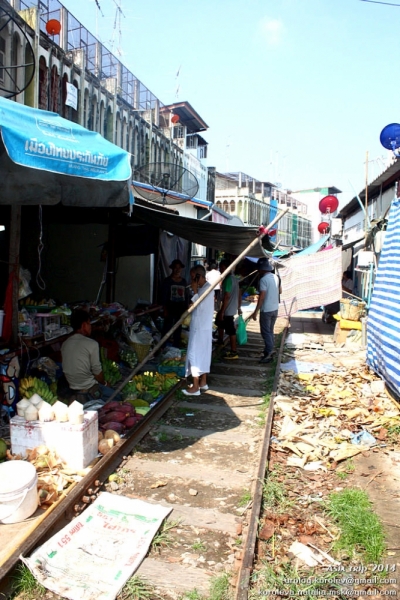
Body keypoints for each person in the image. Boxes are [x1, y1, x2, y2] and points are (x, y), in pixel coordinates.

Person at [61, 309, 115, 403]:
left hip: (72, 388)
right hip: (89, 389)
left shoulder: (65, 344)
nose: (90, 327)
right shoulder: (92, 344)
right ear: (83, 325)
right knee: (117, 397)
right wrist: (105, 383)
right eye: (89, 324)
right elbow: (97, 373)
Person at [183, 265, 214, 396]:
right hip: (202, 328)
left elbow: (199, 307)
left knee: (195, 355)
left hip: (200, 329)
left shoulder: (206, 290)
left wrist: (195, 292)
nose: (191, 280)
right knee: (203, 355)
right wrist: (196, 292)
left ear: (199, 276)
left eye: (193, 277)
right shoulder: (205, 288)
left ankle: (195, 387)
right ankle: (203, 382)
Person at [252, 258, 281, 363]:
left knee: (265, 332)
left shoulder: (263, 280)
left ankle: (269, 352)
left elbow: (262, 297)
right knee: (270, 331)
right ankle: (269, 350)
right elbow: (280, 291)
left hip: (267, 310)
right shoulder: (276, 277)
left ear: (262, 269)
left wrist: (256, 311)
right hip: (275, 308)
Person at [216, 259, 241, 360]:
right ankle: (220, 341)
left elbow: (226, 296)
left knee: (231, 330)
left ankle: (233, 351)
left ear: (228, 269)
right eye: (221, 268)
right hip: (232, 307)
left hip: (228, 309)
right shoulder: (235, 279)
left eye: (223, 268)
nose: (222, 270)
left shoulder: (227, 280)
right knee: (219, 322)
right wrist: (239, 307)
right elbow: (239, 294)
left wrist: (222, 311)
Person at [161, 259, 188, 347]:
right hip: (170, 309)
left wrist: (186, 309)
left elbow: (186, 296)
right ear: (172, 269)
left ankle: (176, 346)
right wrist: (164, 309)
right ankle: (162, 347)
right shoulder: (167, 281)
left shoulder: (183, 282)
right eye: (175, 268)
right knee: (167, 328)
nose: (177, 270)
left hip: (180, 309)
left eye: (179, 268)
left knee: (178, 328)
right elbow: (164, 296)